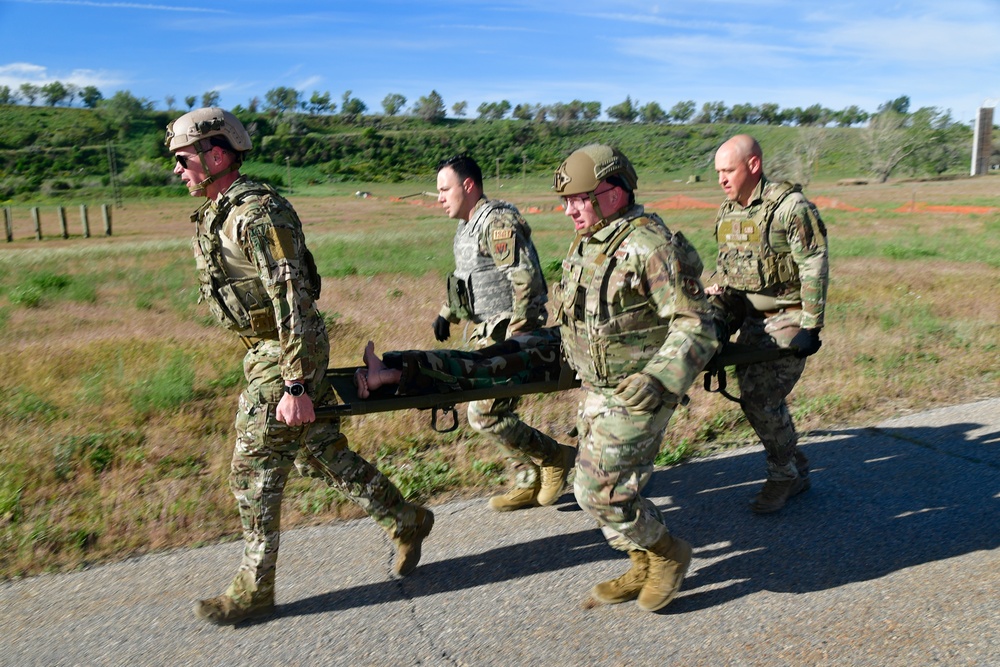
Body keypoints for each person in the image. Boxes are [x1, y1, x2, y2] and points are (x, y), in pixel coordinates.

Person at [166, 107, 433, 626]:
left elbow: (292, 297)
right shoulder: (220, 210)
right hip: (268, 349)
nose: (177, 170)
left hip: (288, 349)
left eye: (183, 159)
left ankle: (253, 590)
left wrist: (294, 382)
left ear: (215, 154)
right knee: (322, 453)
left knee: (253, 471)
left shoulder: (255, 213)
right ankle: (406, 518)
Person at [552, 144, 720, 612]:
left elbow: (696, 324)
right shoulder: (591, 242)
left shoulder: (650, 245)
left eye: (579, 199)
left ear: (613, 192)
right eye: (566, 200)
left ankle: (669, 555)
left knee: (597, 489)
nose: (570, 209)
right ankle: (641, 560)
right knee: (610, 491)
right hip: (599, 390)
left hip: (640, 391)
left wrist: (658, 379)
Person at [433, 154, 575, 511]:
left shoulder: (496, 221)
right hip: (485, 334)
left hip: (508, 335)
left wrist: (519, 337)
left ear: (468, 186)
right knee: (492, 414)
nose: (439, 198)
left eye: (444, 188)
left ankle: (554, 456)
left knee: (484, 415)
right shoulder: (467, 227)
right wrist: (447, 313)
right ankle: (527, 479)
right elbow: (471, 276)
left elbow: (526, 279)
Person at [709, 134, 829, 514]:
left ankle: (784, 476)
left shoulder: (791, 208)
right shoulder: (728, 211)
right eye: (718, 172)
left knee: (761, 398)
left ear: (753, 166)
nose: (722, 179)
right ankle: (793, 461)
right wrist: (716, 284)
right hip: (746, 313)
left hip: (787, 314)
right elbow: (729, 263)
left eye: (728, 170)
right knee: (748, 393)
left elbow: (814, 263)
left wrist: (812, 325)